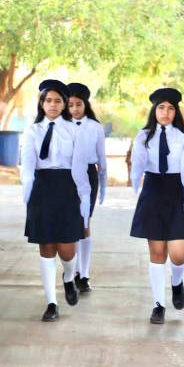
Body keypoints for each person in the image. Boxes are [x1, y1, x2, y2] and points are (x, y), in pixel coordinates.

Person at [21, 80, 90, 322]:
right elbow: (28, 167)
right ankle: (51, 302)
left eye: (57, 101)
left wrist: (84, 198)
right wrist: (27, 198)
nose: (52, 105)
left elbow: (80, 168)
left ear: (64, 105)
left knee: (67, 249)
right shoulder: (33, 130)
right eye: (48, 100)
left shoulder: (73, 130)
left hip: (66, 188)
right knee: (47, 248)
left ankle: (69, 277)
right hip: (42, 188)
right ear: (41, 103)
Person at [129, 88, 184, 325]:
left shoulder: (183, 138)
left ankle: (177, 282)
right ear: (154, 110)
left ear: (175, 111)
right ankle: (158, 304)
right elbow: (137, 163)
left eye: (170, 108)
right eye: (161, 108)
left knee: (179, 255)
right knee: (157, 253)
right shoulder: (143, 136)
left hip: (176, 191)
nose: (165, 112)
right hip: (153, 191)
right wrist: (134, 182)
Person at [65, 82, 106, 292]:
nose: (74, 109)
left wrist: (103, 180)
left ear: (85, 104)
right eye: (70, 105)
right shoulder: (61, 125)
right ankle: (70, 272)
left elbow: (101, 157)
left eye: (78, 104)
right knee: (68, 225)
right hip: (65, 176)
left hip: (88, 175)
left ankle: (84, 274)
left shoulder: (95, 127)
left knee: (84, 222)